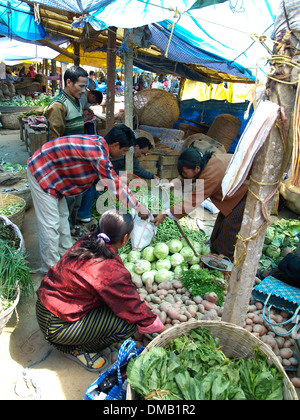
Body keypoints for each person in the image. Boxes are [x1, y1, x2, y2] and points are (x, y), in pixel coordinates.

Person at [36, 210, 164, 372]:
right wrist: (163, 329)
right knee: (128, 324)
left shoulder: (86, 241)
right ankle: (75, 349)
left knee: (116, 309)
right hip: (57, 327)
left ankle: (71, 337)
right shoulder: (111, 271)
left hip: (44, 305)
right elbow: (134, 310)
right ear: (125, 239)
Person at [26, 124, 149, 275]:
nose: (124, 155)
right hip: (42, 171)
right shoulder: (97, 154)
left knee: (62, 217)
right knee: (50, 225)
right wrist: (138, 206)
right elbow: (115, 186)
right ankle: (50, 272)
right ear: (115, 145)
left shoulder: (99, 144)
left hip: (55, 174)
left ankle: (66, 259)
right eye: (123, 151)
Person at [152, 149, 248, 261]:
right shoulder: (205, 164)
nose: (183, 175)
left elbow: (192, 201)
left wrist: (165, 213)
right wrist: (172, 184)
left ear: (197, 168)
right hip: (234, 192)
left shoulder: (210, 175)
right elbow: (186, 176)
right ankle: (215, 253)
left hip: (243, 194)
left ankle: (225, 263)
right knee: (220, 225)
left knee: (229, 230)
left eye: (184, 172)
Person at [46, 66, 88, 238]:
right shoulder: (58, 106)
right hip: (66, 164)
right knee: (67, 201)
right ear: (69, 82)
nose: (84, 91)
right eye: (81, 86)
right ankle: (65, 232)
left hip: (77, 162)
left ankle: (71, 226)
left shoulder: (75, 101)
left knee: (76, 200)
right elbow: (54, 142)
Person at [77, 137, 159, 224]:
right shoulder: (114, 156)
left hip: (106, 178)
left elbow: (139, 171)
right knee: (92, 190)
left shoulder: (131, 159)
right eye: (142, 153)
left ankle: (84, 213)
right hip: (98, 176)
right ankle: (82, 214)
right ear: (136, 146)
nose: (141, 156)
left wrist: (152, 176)